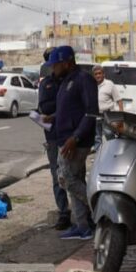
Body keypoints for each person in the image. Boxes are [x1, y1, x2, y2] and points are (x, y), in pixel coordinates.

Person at [47, 46, 99, 240]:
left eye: (56, 65)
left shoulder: (83, 79)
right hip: (66, 139)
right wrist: (53, 118)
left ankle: (100, 206)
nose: (53, 69)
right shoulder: (66, 81)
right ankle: (83, 225)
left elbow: (91, 112)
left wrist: (75, 138)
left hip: (76, 142)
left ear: (67, 62)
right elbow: (70, 110)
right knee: (73, 179)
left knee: (65, 179)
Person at [37, 47, 72, 231]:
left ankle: (83, 210)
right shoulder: (46, 84)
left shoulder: (71, 81)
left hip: (71, 136)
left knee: (73, 174)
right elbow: (44, 107)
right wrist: (60, 109)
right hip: (52, 136)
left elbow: (75, 106)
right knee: (56, 175)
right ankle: (64, 212)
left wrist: (59, 110)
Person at [92, 65, 122, 152]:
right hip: (95, 116)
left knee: (109, 136)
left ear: (103, 74)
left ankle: (113, 154)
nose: (98, 76)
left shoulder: (109, 84)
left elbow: (119, 100)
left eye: (99, 73)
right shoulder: (91, 85)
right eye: (96, 74)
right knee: (97, 138)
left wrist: (121, 116)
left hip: (107, 116)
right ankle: (98, 157)